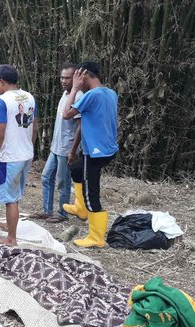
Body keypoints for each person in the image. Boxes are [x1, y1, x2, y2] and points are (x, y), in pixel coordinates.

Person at [61, 61, 118, 248]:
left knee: (91, 191)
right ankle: (81, 208)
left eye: (78, 78)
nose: (77, 82)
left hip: (95, 152)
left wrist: (74, 89)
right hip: (107, 149)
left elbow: (67, 114)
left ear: (84, 76)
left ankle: (96, 237)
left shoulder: (91, 95)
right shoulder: (110, 93)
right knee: (76, 170)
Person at [0, 64, 37, 246]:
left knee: (10, 199)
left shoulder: (2, 101)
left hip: (11, 156)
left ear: (2, 82)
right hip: (26, 153)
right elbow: (34, 127)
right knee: (16, 194)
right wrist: (29, 147)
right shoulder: (29, 97)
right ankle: (11, 226)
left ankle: (11, 238)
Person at [32, 63, 83, 223]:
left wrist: (73, 150)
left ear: (75, 78)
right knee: (46, 176)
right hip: (56, 146)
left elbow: (81, 126)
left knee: (63, 182)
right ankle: (47, 210)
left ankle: (62, 212)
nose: (63, 80)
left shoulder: (79, 96)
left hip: (67, 147)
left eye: (67, 78)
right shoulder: (65, 94)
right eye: (62, 77)